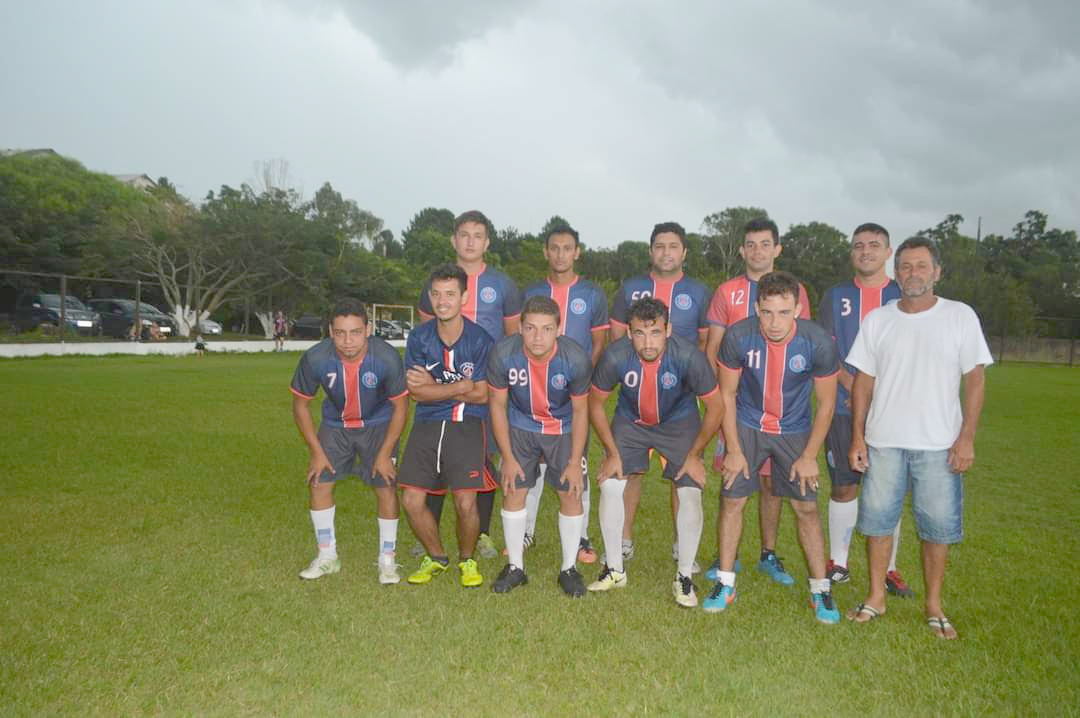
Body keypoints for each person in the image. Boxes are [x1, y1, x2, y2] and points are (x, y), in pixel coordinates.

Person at [846, 238, 992, 640]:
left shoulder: (960, 317)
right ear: (897, 274)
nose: (914, 273)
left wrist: (966, 439)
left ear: (937, 272)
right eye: (906, 266)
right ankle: (876, 597)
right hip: (883, 442)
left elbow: (975, 382)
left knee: (937, 529)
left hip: (939, 445)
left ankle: (933, 605)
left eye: (922, 266)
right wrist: (857, 436)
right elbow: (863, 382)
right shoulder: (879, 319)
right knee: (878, 524)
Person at [706, 271, 841, 624]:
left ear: (798, 309)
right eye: (767, 312)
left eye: (783, 312)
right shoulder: (737, 336)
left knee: (806, 509)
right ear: (756, 308)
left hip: (794, 431)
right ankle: (725, 582)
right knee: (733, 499)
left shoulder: (818, 342)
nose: (774, 322)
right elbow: (727, 396)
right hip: (748, 425)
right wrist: (733, 449)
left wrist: (810, 456)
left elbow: (826, 404)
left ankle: (820, 588)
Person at [588, 297, 723, 608]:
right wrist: (611, 452)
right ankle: (614, 569)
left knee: (690, 491)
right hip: (631, 421)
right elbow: (595, 404)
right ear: (629, 332)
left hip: (678, 422)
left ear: (669, 330)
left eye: (655, 333)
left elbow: (716, 408)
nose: (647, 343)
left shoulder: (689, 356)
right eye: (639, 333)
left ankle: (684, 575)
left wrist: (695, 454)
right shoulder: (615, 356)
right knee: (611, 483)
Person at [702, 217, 812, 586]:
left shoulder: (795, 291)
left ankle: (768, 552)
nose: (758, 251)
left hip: (781, 413)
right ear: (741, 250)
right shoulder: (727, 291)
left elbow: (803, 346)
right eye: (751, 244)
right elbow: (713, 346)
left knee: (771, 484)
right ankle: (725, 557)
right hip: (738, 409)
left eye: (765, 244)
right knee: (733, 477)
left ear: (777, 249)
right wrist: (715, 399)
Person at [415, 210, 522, 560]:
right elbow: (426, 337)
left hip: (484, 384)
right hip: (446, 384)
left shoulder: (503, 285)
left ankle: (484, 534)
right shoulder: (436, 283)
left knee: (483, 457)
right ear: (453, 240)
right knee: (435, 456)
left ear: (487, 242)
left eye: (478, 235)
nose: (470, 241)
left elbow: (512, 336)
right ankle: (426, 533)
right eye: (464, 235)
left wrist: (502, 381)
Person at [609, 222, 710, 571]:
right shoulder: (631, 288)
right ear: (651, 251)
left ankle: (683, 544)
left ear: (684, 252)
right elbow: (617, 340)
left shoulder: (697, 291)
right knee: (630, 471)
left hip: (679, 397)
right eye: (659, 246)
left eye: (673, 246)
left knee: (681, 472)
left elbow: (704, 342)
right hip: (636, 398)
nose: (666, 253)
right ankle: (623, 539)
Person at [818, 223, 912, 596]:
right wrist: (857, 390)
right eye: (858, 245)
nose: (866, 251)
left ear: (888, 252)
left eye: (874, 245)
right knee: (844, 485)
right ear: (851, 253)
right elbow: (826, 353)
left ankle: (889, 568)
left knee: (889, 489)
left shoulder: (902, 295)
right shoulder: (835, 296)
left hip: (894, 411)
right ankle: (838, 562)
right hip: (842, 407)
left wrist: (881, 394)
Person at [289, 298, 409, 584]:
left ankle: (387, 560)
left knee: (386, 486)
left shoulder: (387, 357)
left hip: (378, 426)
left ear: (367, 329)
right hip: (335, 427)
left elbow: (401, 407)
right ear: (330, 331)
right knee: (319, 482)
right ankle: (327, 556)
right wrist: (316, 452)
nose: (347, 341)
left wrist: (384, 453)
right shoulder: (316, 358)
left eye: (355, 332)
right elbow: (300, 406)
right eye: (340, 333)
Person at [487, 296, 593, 596]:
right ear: (519, 327)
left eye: (546, 329)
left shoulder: (576, 359)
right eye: (531, 328)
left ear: (558, 329)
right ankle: (516, 567)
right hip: (521, 425)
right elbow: (496, 405)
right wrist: (506, 456)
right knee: (513, 488)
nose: (537, 337)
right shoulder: (503, 354)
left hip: (563, 428)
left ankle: (568, 568)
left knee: (571, 493)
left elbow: (582, 411)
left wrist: (574, 461)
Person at [400, 264, 497, 587]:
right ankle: (437, 556)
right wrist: (459, 387)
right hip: (427, 424)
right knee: (412, 500)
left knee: (465, 501)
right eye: (437, 294)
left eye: (450, 295)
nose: (443, 301)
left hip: (467, 425)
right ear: (430, 297)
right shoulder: (419, 338)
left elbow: (484, 395)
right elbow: (416, 392)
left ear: (464, 297)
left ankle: (467, 560)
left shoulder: (480, 340)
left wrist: (436, 388)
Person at [520, 221, 609, 564]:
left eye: (567, 248)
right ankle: (525, 531)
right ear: (546, 252)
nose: (560, 254)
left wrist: (579, 378)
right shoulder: (530, 292)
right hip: (534, 391)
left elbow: (599, 341)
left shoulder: (592, 294)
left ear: (577, 252)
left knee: (577, 464)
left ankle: (583, 537)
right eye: (554, 248)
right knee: (531, 465)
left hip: (573, 394)